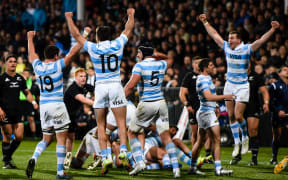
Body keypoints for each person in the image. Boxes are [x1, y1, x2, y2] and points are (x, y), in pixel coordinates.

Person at [65, 8, 135, 174]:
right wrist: (131, 15)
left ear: (97, 37)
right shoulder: (118, 43)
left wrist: (69, 18)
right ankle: (124, 152)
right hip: (116, 86)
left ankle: (106, 157)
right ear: (110, 36)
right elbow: (128, 29)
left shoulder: (93, 48)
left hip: (101, 87)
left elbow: (76, 36)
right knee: (121, 124)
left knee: (101, 126)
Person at [199, 13, 280, 157]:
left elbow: (261, 40)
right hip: (229, 84)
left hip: (242, 85)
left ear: (239, 40)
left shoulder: (247, 49)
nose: (229, 39)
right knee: (230, 116)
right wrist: (205, 22)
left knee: (238, 115)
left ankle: (245, 138)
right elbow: (214, 34)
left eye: (232, 38)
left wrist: (272, 30)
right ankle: (237, 143)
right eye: (229, 37)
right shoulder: (226, 47)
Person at [25, 29, 89, 179]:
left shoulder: (38, 66)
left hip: (44, 107)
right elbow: (73, 52)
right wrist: (84, 36)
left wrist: (29, 38)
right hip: (57, 105)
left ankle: (34, 157)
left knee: (46, 138)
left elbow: (32, 54)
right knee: (61, 139)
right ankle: (60, 172)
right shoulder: (58, 65)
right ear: (55, 56)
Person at [124, 42, 180, 178]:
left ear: (143, 54)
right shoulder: (161, 64)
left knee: (131, 132)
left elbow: (131, 86)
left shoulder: (140, 65)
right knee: (166, 136)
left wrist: (119, 99)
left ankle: (139, 162)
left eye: (138, 52)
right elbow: (169, 59)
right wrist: (155, 53)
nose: (137, 55)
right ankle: (176, 169)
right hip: (161, 103)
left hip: (147, 103)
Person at [188, 58, 234, 176]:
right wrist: (226, 96)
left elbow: (211, 96)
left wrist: (217, 105)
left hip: (205, 111)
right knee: (216, 140)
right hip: (207, 113)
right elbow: (208, 96)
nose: (214, 67)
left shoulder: (206, 78)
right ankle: (218, 169)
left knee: (200, 141)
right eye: (211, 65)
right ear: (205, 68)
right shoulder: (203, 79)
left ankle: (192, 167)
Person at [0, 55, 38, 169]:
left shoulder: (20, 78)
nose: (13, 63)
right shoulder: (1, 78)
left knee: (19, 136)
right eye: (10, 61)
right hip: (4, 112)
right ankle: (7, 162)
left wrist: (34, 102)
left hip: (17, 111)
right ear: (6, 64)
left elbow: (26, 92)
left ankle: (7, 157)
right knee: (7, 136)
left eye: (14, 61)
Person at [230, 69, 269, 165]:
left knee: (253, 131)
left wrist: (266, 103)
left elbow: (264, 91)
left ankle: (254, 158)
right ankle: (237, 155)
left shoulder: (255, 76)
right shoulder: (237, 75)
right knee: (238, 131)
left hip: (253, 106)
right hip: (239, 106)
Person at [179, 56, 212, 159]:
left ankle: (208, 154)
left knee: (208, 132)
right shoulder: (189, 76)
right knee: (195, 133)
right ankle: (194, 155)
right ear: (193, 64)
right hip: (194, 107)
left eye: (200, 63)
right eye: (196, 63)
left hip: (206, 107)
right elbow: (182, 94)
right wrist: (187, 105)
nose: (198, 65)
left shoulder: (206, 76)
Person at [63, 67, 94, 169]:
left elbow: (97, 90)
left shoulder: (86, 87)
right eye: (80, 76)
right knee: (62, 138)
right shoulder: (73, 88)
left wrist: (95, 96)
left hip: (72, 116)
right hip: (63, 114)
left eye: (85, 76)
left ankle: (67, 158)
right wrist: (98, 103)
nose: (83, 78)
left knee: (71, 137)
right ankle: (64, 159)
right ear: (75, 77)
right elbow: (83, 99)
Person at [269, 65, 288, 165]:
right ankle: (274, 157)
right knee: (277, 136)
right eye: (284, 70)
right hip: (278, 115)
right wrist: (278, 111)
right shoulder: (274, 86)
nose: (287, 71)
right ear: (280, 73)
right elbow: (271, 101)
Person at [19, 69, 40, 139]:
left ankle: (34, 135)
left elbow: (34, 93)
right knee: (21, 119)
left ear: (29, 75)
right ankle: (21, 134)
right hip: (20, 101)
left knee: (31, 118)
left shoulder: (32, 83)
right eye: (24, 74)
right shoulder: (18, 82)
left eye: (27, 74)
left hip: (30, 102)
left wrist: (36, 103)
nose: (25, 75)